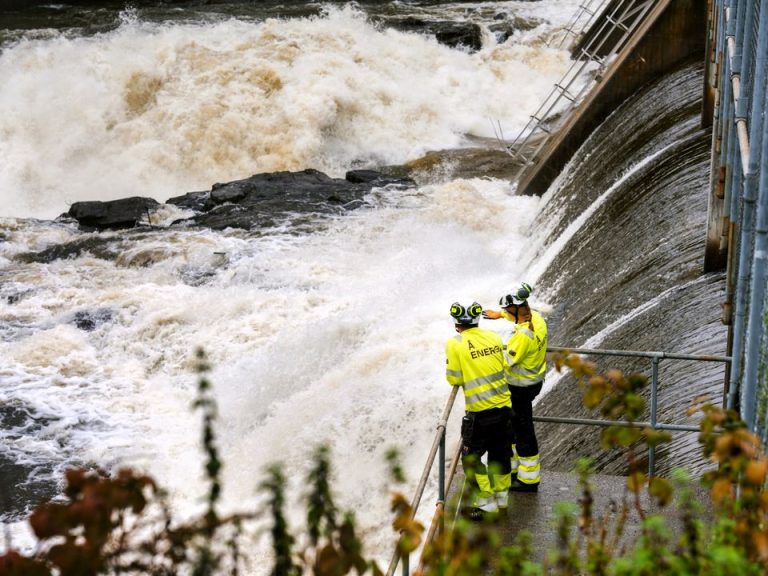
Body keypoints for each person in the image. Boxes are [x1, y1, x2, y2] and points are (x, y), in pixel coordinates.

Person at [445, 301, 512, 519]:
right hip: (504, 406)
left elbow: (454, 378)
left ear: (457, 324)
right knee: (500, 453)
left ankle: (486, 502)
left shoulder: (454, 343)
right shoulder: (494, 337)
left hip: (480, 411)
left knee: (471, 458)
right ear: (477, 320)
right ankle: (502, 498)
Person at [483, 283, 547, 492]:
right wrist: (500, 315)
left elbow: (504, 362)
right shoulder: (536, 319)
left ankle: (529, 480)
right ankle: (511, 469)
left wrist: (480, 356)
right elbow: (517, 313)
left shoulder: (522, 337)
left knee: (523, 431)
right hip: (534, 382)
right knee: (512, 426)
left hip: (521, 388)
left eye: (508, 311)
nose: (507, 314)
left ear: (518, 311)